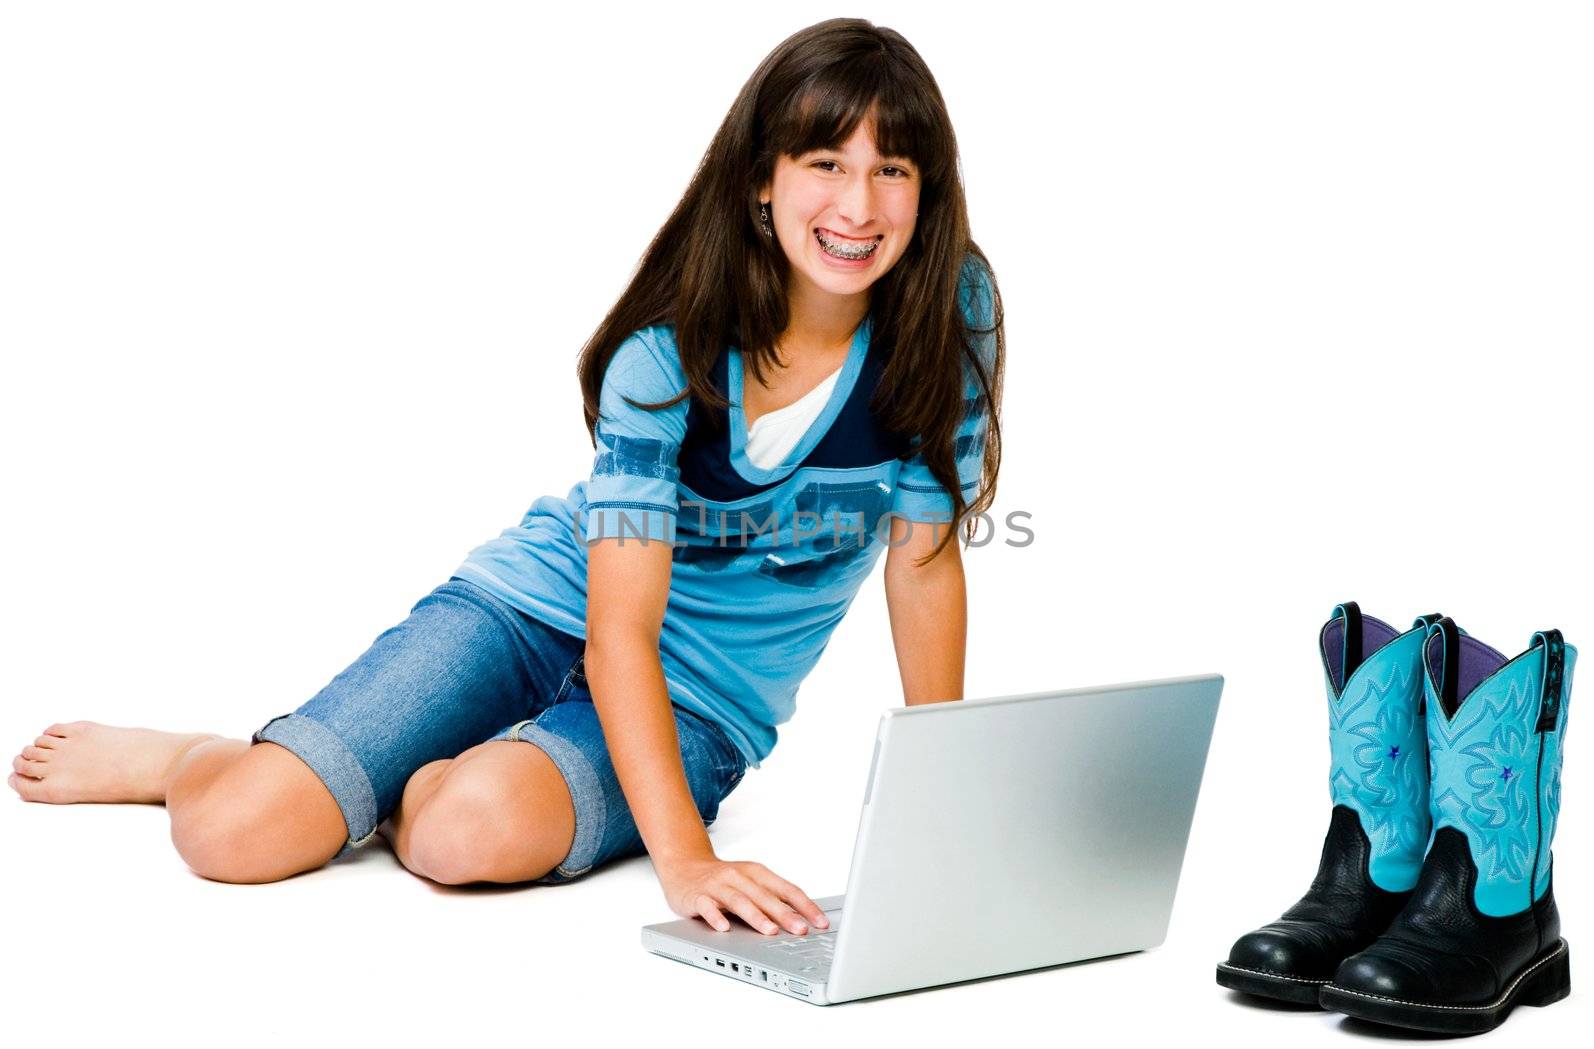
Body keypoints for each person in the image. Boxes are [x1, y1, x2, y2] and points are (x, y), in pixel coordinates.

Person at [8, 17, 1005, 940]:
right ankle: (187, 754)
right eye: (825, 163)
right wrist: (687, 859)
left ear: (928, 188)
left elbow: (921, 564)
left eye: (892, 170)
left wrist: (948, 799)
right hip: (540, 607)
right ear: (761, 180)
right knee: (233, 832)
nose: (858, 205)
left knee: (459, 836)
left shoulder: (947, 314)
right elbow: (618, 630)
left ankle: (434, 773)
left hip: (704, 700)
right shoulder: (670, 352)